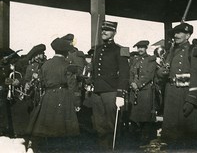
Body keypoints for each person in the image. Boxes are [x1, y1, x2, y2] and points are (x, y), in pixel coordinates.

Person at [27, 37, 80, 151]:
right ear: (66, 52)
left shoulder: (45, 64)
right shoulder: (68, 65)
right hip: (63, 96)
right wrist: (76, 103)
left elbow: (41, 81)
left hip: (48, 97)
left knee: (48, 124)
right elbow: (72, 86)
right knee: (62, 128)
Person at [160, 22, 197, 147]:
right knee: (172, 136)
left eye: (179, 33)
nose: (176, 35)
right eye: (175, 33)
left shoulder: (194, 51)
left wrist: (191, 99)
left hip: (185, 95)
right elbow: (165, 73)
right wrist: (161, 73)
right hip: (171, 95)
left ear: (188, 35)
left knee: (187, 137)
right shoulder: (171, 51)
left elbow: (196, 77)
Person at [88, 20, 130, 150]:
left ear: (114, 32)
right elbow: (94, 70)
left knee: (112, 125)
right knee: (99, 125)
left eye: (107, 30)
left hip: (111, 91)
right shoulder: (97, 49)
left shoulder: (121, 50)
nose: (104, 32)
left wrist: (120, 94)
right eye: (102, 30)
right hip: (97, 91)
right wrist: (91, 83)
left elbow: (124, 73)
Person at [129, 40, 157, 145]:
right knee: (134, 115)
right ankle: (135, 139)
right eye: (138, 48)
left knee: (145, 115)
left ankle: (145, 139)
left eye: (142, 47)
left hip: (145, 91)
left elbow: (149, 75)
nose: (140, 49)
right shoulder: (134, 59)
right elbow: (130, 73)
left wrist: (139, 84)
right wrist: (132, 83)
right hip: (134, 91)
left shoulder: (151, 59)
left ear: (146, 48)